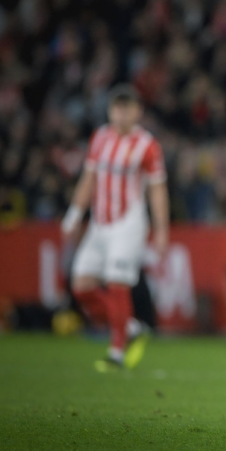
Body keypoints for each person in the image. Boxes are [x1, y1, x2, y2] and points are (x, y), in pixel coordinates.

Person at [62, 85, 169, 372]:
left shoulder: (147, 146)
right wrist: (74, 214)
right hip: (99, 223)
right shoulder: (100, 138)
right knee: (81, 288)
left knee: (116, 283)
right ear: (110, 111)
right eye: (118, 108)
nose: (122, 114)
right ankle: (130, 327)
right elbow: (89, 178)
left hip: (128, 223)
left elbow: (157, 190)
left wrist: (161, 229)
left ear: (138, 111)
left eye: (128, 108)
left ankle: (117, 351)